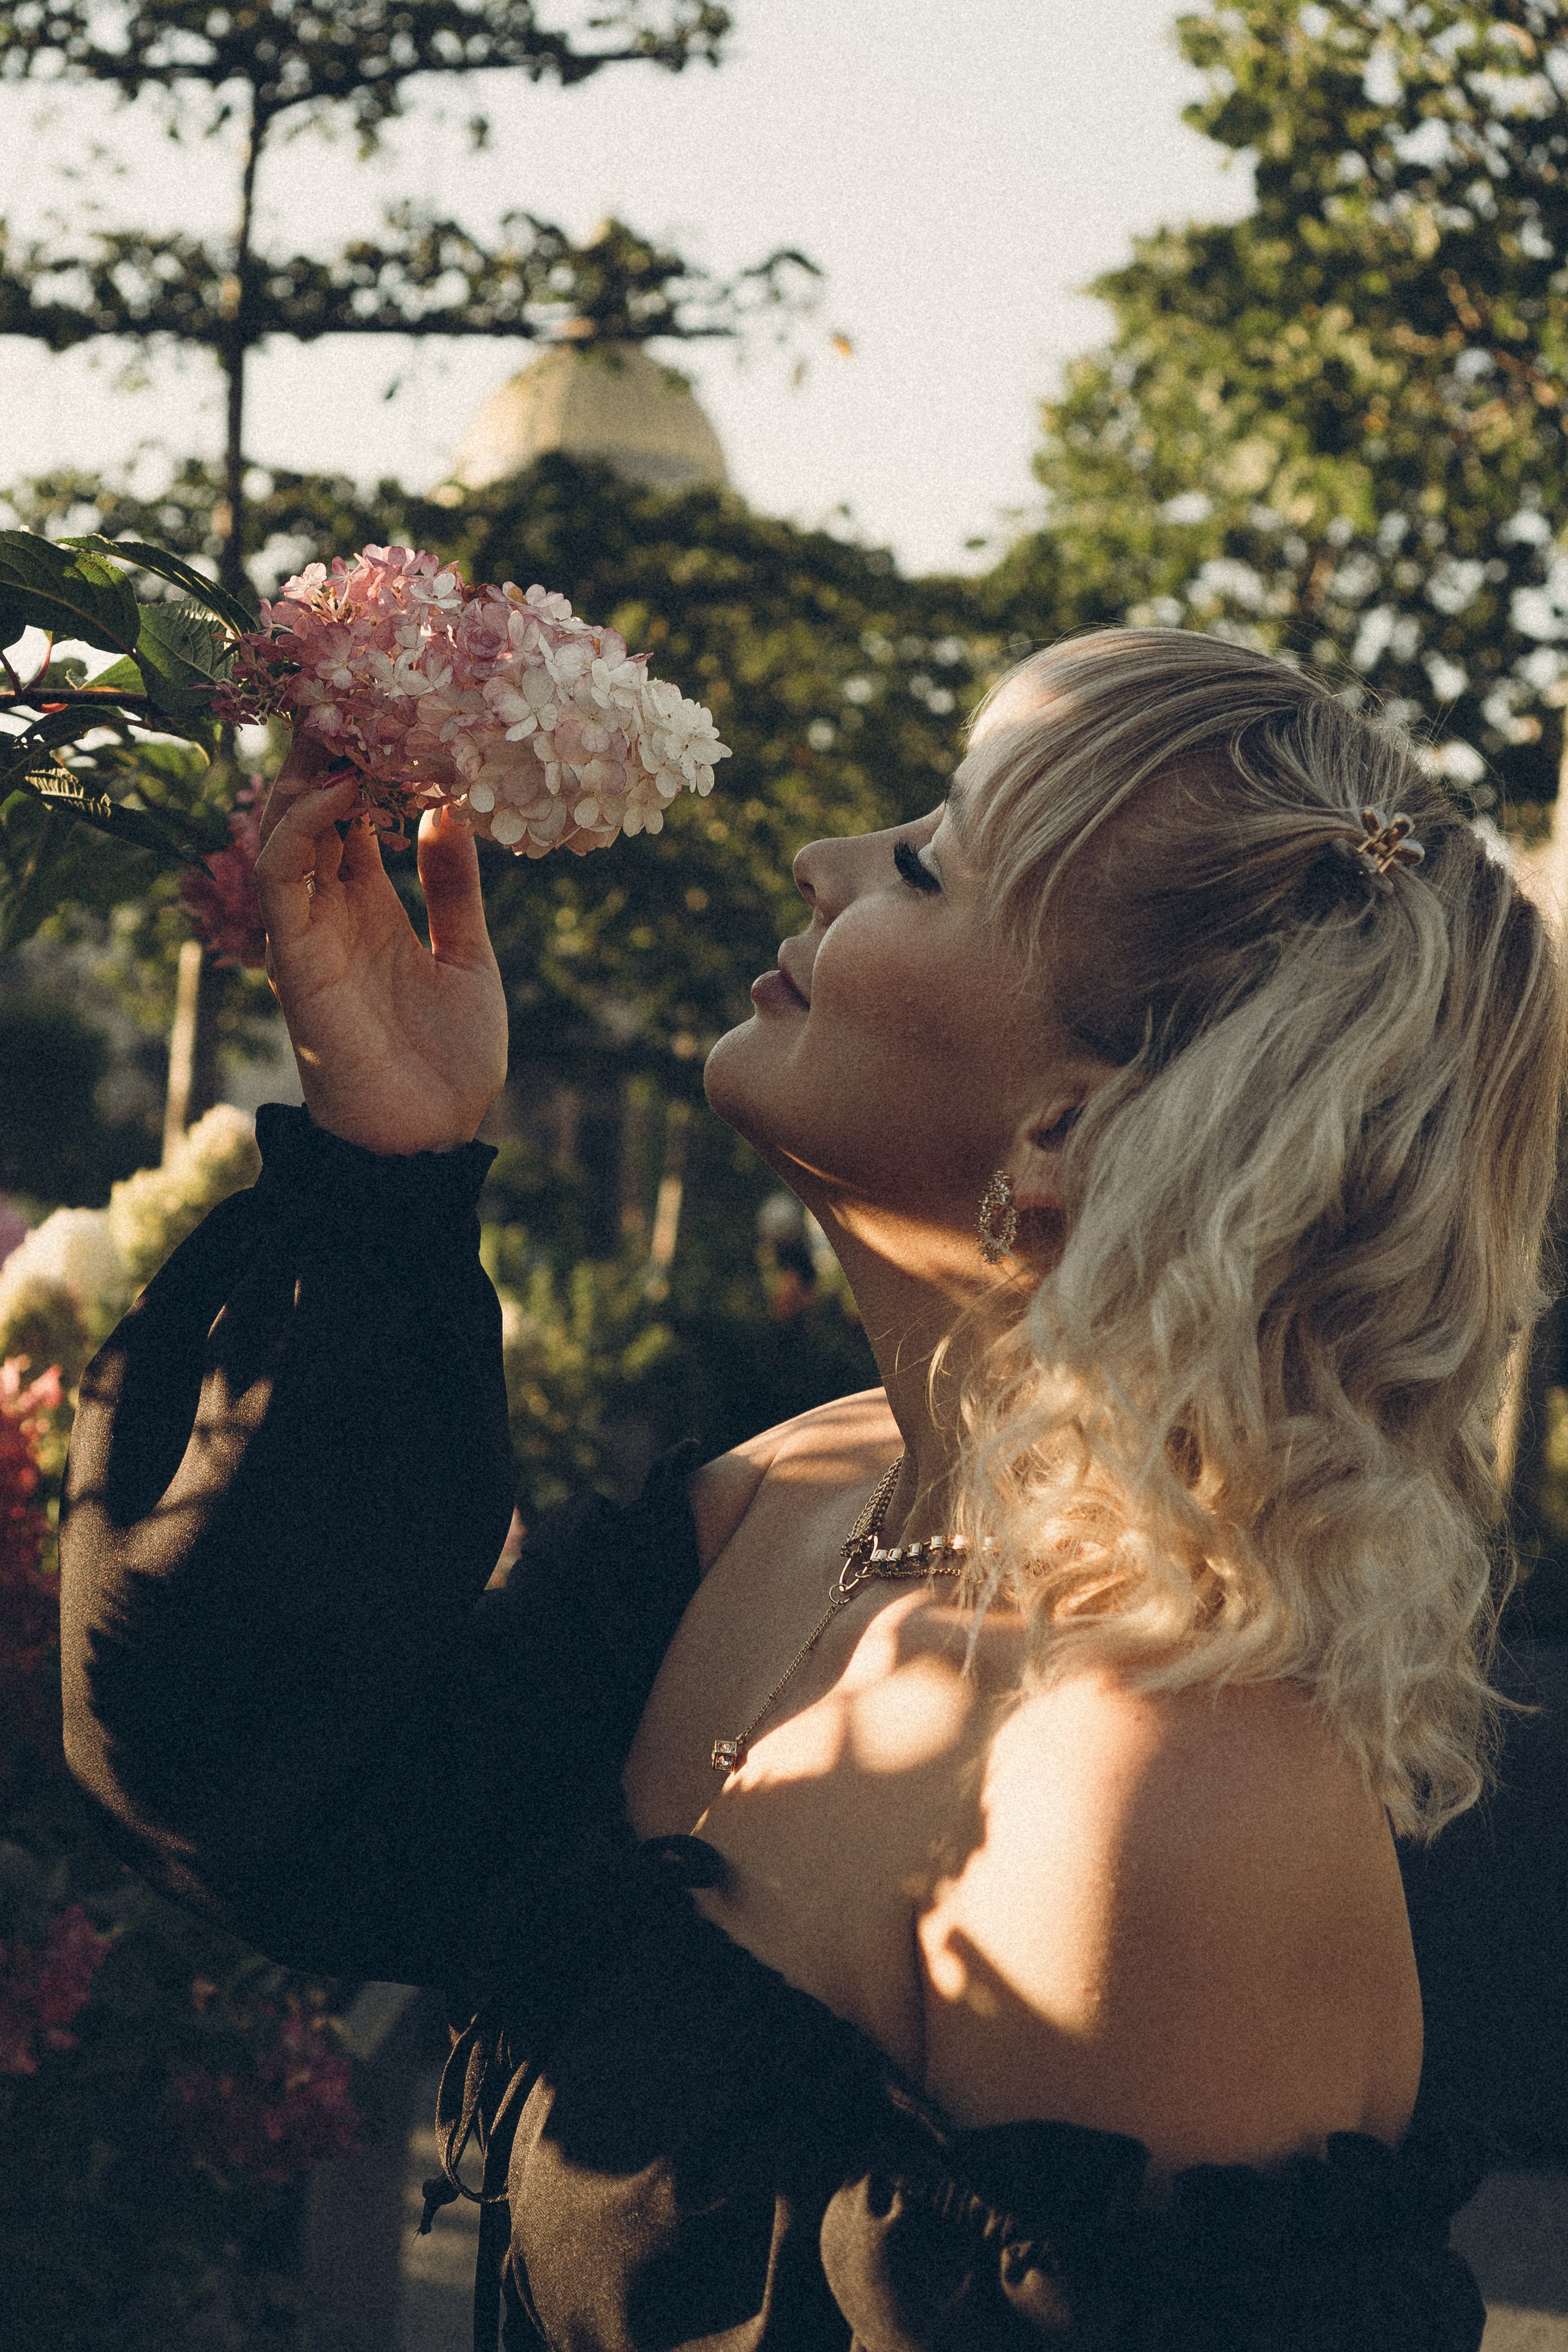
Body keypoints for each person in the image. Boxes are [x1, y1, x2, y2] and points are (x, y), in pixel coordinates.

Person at [58, 627, 1565, 2349]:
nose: (824, 860)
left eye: (926, 858)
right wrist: (388, 1171)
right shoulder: (800, 1497)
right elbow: (265, 1792)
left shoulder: (1165, 1800)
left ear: (1069, 1130)